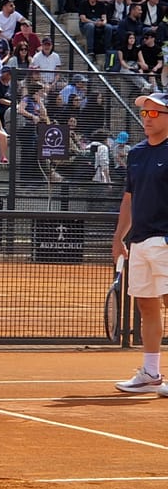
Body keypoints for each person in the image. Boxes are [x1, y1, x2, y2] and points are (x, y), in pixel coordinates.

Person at [112, 92, 168, 395]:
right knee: (147, 306)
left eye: (154, 113)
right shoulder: (136, 154)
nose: (147, 118)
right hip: (140, 242)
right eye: (144, 114)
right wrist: (119, 237)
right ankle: (150, 373)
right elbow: (128, 201)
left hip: (166, 241)